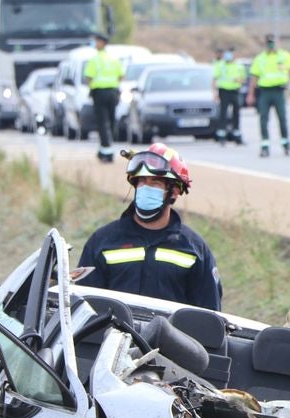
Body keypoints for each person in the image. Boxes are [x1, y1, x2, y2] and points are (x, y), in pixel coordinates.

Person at [77, 143, 222, 310]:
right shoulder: (101, 242)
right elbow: (83, 307)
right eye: (142, 181)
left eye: (155, 182)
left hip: (169, 336)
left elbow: (210, 317)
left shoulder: (195, 249)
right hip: (113, 336)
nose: (146, 188)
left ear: (174, 191)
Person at [248, 34, 290, 158]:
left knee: (282, 118)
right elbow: (254, 77)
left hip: (279, 91)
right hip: (264, 92)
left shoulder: (284, 56)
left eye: (273, 42)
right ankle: (265, 146)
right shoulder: (260, 58)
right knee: (263, 119)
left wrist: (285, 67)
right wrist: (251, 94)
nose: (271, 45)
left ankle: (285, 144)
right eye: (269, 42)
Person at [83, 31, 123, 163]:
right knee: (110, 122)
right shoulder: (113, 59)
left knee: (102, 123)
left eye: (96, 41)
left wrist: (92, 87)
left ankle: (107, 151)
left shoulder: (95, 59)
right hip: (113, 92)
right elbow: (121, 76)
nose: (95, 43)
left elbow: (88, 77)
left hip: (100, 93)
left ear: (101, 43)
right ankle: (104, 149)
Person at [212, 47, 246, 145]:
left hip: (235, 91)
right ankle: (222, 136)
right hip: (224, 91)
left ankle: (237, 134)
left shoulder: (239, 66)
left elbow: (243, 79)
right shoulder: (220, 65)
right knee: (223, 113)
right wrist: (215, 93)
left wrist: (239, 81)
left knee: (236, 113)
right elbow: (214, 79)